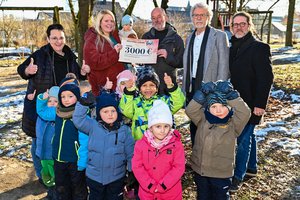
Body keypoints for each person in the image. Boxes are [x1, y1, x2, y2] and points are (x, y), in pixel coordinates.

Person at [17, 23, 89, 183]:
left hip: (65, 106)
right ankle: (42, 176)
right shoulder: (39, 55)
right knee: (39, 140)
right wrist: (27, 71)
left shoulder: (70, 57)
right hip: (43, 105)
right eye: (54, 38)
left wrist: (83, 74)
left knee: (58, 141)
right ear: (48, 39)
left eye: (61, 38)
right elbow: (22, 69)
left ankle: (58, 175)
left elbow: (77, 78)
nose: (58, 41)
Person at [228, 11, 274, 192]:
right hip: (235, 102)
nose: (239, 27)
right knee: (249, 136)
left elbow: (266, 78)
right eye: (235, 24)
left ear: (249, 25)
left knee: (242, 139)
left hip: (251, 103)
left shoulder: (259, 47)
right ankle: (251, 168)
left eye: (242, 24)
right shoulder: (231, 47)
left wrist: (260, 105)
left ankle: (237, 176)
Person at [185, 81, 251, 200]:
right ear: (208, 108)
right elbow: (190, 110)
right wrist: (200, 96)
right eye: (214, 106)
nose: (218, 110)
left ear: (229, 107)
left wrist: (232, 96)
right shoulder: (202, 120)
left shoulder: (233, 124)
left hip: (221, 174)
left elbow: (245, 113)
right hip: (201, 171)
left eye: (222, 106)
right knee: (203, 196)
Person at [182, 2, 230, 147]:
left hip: (211, 86)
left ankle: (208, 158)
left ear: (208, 17)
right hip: (192, 85)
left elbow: (224, 64)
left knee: (210, 122)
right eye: (195, 15)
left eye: (202, 15)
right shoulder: (190, 37)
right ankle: (196, 153)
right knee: (194, 119)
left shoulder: (219, 36)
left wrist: (219, 90)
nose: (198, 18)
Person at [73, 91, 135, 200]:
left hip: (116, 177)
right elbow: (78, 120)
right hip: (95, 177)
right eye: (105, 111)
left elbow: (130, 151)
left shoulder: (124, 130)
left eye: (113, 111)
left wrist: (131, 171)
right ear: (99, 113)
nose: (110, 114)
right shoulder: (93, 126)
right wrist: (83, 103)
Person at [132, 100, 185, 199]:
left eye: (166, 126)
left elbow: (178, 167)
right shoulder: (140, 145)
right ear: (151, 127)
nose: (162, 130)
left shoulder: (176, 145)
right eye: (158, 126)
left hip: (170, 194)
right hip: (147, 194)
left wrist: (163, 185)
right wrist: (149, 184)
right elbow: (137, 167)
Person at [119, 66, 185, 141]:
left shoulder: (162, 102)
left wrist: (171, 87)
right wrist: (129, 92)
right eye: (144, 85)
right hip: (140, 143)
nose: (148, 88)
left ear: (157, 88)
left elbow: (178, 103)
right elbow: (126, 110)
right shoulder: (135, 102)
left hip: (160, 143)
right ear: (139, 88)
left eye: (152, 85)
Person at [52, 77, 88, 199]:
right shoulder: (57, 112)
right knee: (61, 187)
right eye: (63, 97)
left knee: (78, 188)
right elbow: (42, 111)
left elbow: (86, 139)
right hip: (59, 158)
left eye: (70, 96)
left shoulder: (81, 114)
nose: (66, 100)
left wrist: (82, 159)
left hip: (75, 160)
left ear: (77, 97)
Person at [142, 7, 184, 95]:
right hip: (149, 86)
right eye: (153, 18)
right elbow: (141, 61)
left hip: (168, 85)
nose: (157, 20)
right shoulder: (146, 37)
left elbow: (181, 63)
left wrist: (168, 56)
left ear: (166, 17)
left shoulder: (176, 38)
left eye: (159, 17)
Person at [84, 8, 125, 96]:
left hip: (118, 85)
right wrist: (114, 52)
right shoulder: (92, 39)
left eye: (112, 21)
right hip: (105, 85)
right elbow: (94, 62)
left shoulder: (115, 37)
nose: (109, 23)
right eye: (106, 21)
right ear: (100, 22)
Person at [35, 86, 59, 199]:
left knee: (55, 176)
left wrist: (42, 101)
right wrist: (41, 99)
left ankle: (56, 193)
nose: (52, 103)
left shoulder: (55, 114)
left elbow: (43, 110)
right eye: (49, 101)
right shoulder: (41, 116)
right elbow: (40, 110)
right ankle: (51, 190)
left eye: (56, 101)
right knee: (47, 175)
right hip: (42, 152)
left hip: (53, 154)